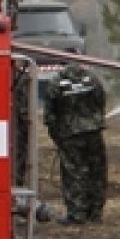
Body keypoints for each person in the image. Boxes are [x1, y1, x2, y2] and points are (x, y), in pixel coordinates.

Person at [42, 64, 108, 224]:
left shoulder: (56, 82)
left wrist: (56, 135)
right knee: (96, 171)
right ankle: (95, 213)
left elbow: (50, 115)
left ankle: (77, 214)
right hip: (93, 132)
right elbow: (101, 99)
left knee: (74, 173)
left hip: (69, 135)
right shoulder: (91, 79)